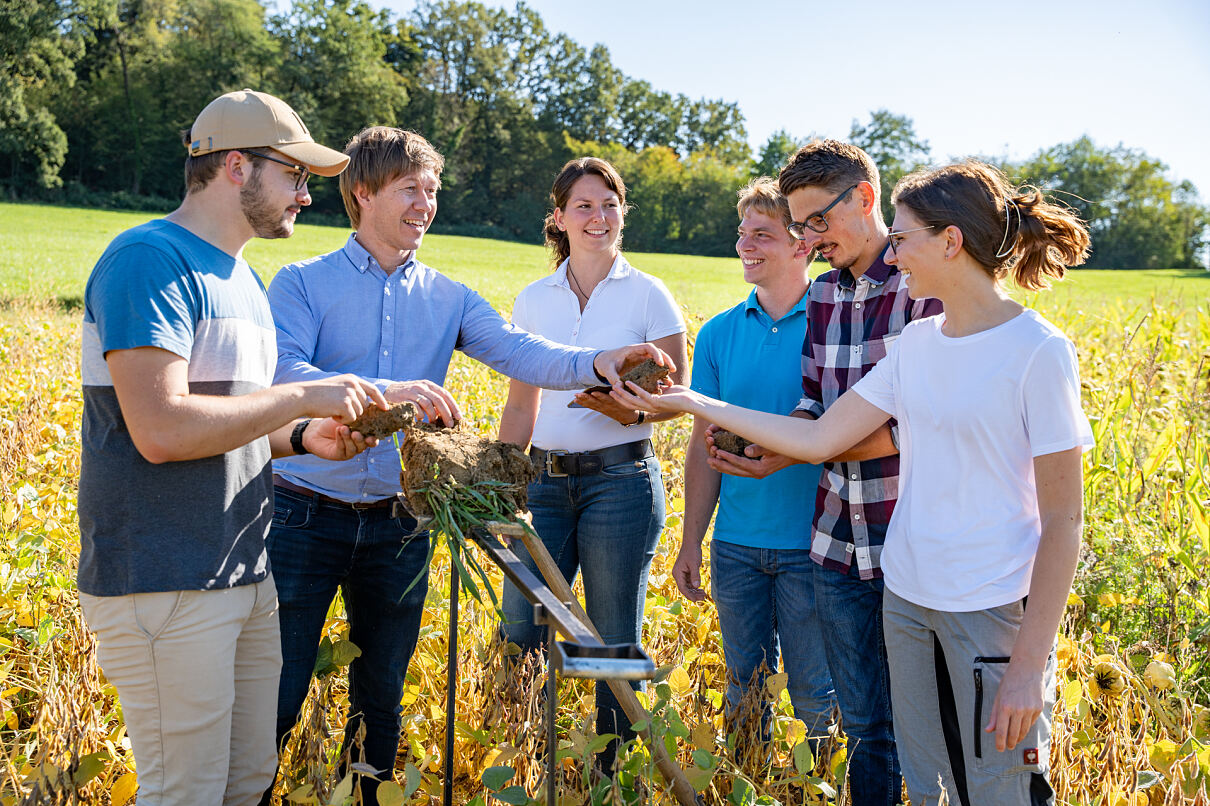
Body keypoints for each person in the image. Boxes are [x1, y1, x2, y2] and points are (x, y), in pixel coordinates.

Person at [615, 159, 1092, 806]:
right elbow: (819, 437)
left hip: (991, 612)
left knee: (1000, 791)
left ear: (949, 241)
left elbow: (1064, 521)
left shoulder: (1038, 351)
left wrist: (1030, 666)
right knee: (927, 790)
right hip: (908, 600)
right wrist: (692, 402)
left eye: (902, 238)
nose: (892, 253)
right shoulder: (917, 345)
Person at [263, 130, 670, 802]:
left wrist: (593, 362)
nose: (425, 204)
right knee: (276, 690)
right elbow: (286, 372)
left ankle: (366, 796)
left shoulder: (448, 296)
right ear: (362, 193)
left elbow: (520, 351)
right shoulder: (303, 282)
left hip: (400, 525)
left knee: (383, 697)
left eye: (431, 190)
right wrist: (391, 390)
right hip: (304, 515)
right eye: (409, 189)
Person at [77, 89, 387, 806]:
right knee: (185, 791)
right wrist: (303, 397)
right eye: (296, 176)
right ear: (237, 168)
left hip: (243, 572)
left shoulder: (242, 280)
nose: (309, 196)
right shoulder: (148, 260)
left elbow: (232, 421)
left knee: (246, 780)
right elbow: (163, 431)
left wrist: (306, 436)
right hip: (164, 576)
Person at [712, 139, 941, 805]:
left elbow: (918, 429)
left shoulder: (921, 288)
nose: (810, 237)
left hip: (910, 544)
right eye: (801, 224)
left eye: (818, 221)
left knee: (920, 725)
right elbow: (815, 402)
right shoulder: (822, 298)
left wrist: (810, 446)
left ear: (865, 200)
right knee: (866, 726)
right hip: (837, 546)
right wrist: (785, 445)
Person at [496, 157, 689, 771]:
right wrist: (504, 478)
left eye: (609, 204)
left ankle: (610, 774)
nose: (598, 216)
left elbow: (674, 398)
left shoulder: (648, 294)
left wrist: (627, 412)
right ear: (558, 217)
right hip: (544, 487)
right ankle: (522, 758)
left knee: (609, 639)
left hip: (619, 483)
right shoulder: (533, 299)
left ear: (622, 213)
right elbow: (521, 401)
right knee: (522, 625)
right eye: (583, 205)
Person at [672, 177, 833, 739]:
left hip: (812, 545)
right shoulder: (717, 333)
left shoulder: (832, 327)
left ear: (802, 246)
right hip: (736, 543)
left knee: (816, 689)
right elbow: (702, 445)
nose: (746, 245)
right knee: (744, 682)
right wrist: (692, 538)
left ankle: (821, 794)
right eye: (743, 234)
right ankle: (747, 778)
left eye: (762, 235)